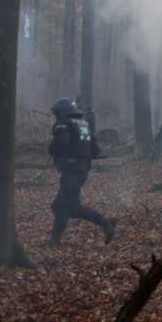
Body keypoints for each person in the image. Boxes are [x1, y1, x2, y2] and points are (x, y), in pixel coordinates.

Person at [45, 98, 116, 246]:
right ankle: (54, 240)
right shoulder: (84, 124)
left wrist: (52, 149)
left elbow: (61, 142)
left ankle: (104, 221)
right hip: (82, 170)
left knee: (71, 206)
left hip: (71, 170)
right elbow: (96, 150)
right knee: (59, 205)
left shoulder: (63, 124)